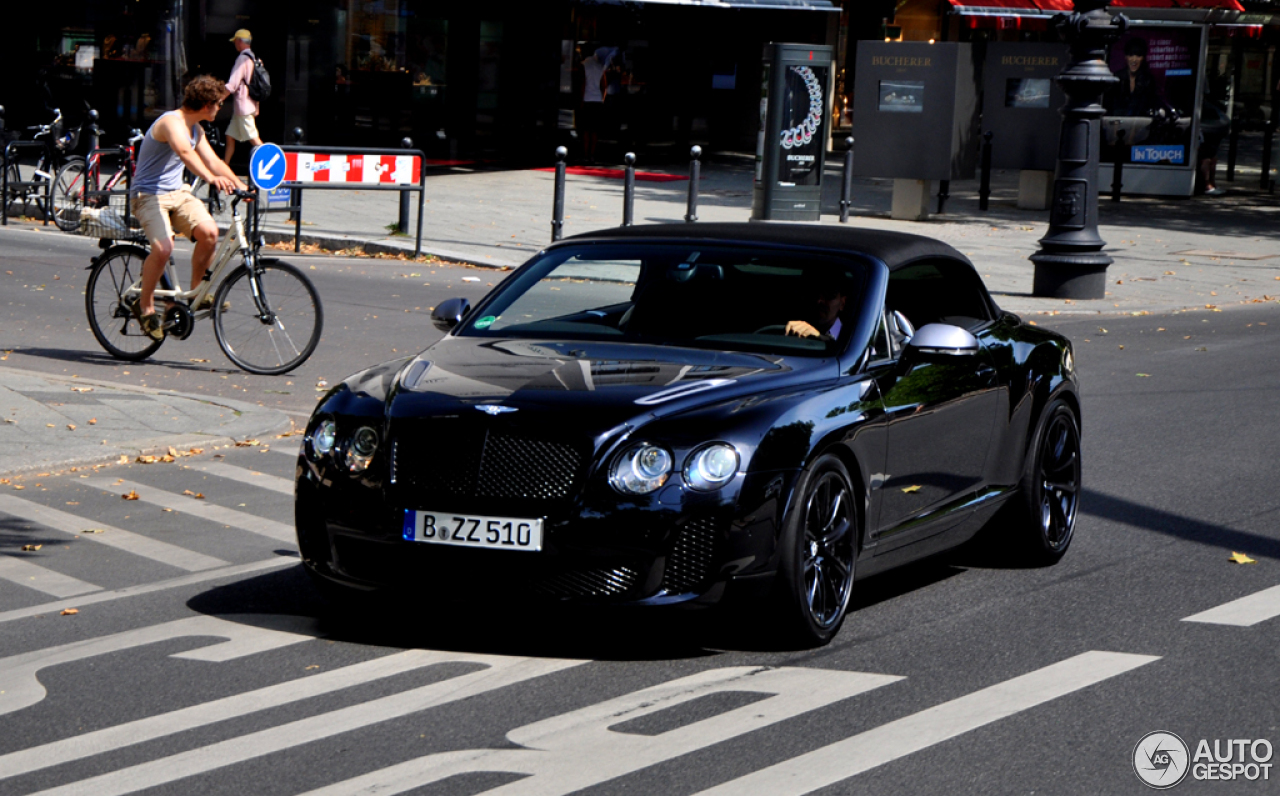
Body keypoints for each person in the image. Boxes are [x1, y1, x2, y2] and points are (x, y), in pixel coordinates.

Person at [130, 75, 246, 340]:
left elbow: (214, 161)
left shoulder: (197, 130)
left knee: (209, 232)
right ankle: (145, 305)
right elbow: (184, 152)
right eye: (218, 104)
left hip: (177, 194)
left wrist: (239, 185)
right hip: (148, 196)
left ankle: (198, 292)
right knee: (164, 248)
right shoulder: (171, 122)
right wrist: (210, 179)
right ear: (207, 105)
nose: (220, 108)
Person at [223, 29, 263, 167]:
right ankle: (224, 167)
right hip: (247, 105)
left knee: (254, 140)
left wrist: (218, 99)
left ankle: (274, 166)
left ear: (240, 42)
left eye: (235, 41)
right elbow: (255, 85)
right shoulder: (254, 58)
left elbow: (232, 84)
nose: (235, 44)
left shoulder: (242, 59)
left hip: (243, 107)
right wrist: (256, 106)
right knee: (230, 136)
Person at [1106, 37, 1166, 118]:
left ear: (1143, 58)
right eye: (1131, 55)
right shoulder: (1116, 78)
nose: (1134, 60)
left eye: (1138, 55)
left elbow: (1152, 105)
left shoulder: (1148, 80)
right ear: (1126, 57)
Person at [785, 272, 847, 341]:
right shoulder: (789, 331)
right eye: (813, 293)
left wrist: (818, 337)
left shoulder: (854, 339)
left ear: (842, 303)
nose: (819, 300)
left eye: (829, 294)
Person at [579, 46, 612, 164]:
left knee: (585, 130)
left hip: (587, 99)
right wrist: (602, 99)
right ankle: (592, 154)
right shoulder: (600, 66)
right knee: (594, 130)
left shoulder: (583, 65)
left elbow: (583, 84)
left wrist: (581, 101)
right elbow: (604, 86)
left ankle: (585, 154)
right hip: (597, 100)